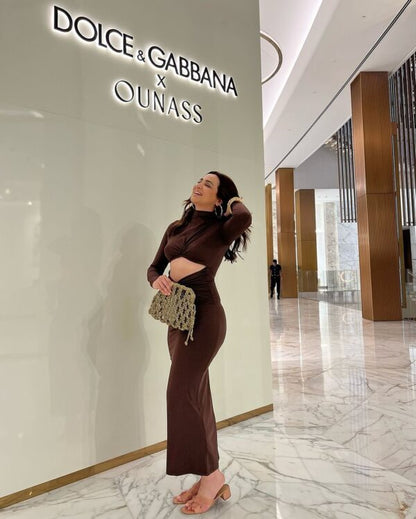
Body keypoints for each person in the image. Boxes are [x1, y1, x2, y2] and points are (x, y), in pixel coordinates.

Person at [147, 171, 252, 515]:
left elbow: (244, 217)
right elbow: (154, 267)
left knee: (181, 391)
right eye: (198, 181)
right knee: (196, 394)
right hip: (178, 317)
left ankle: (212, 475)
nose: (199, 185)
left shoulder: (222, 228)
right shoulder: (175, 228)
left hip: (205, 318)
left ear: (219, 198)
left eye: (208, 184)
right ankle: (209, 474)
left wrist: (232, 200)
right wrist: (157, 281)